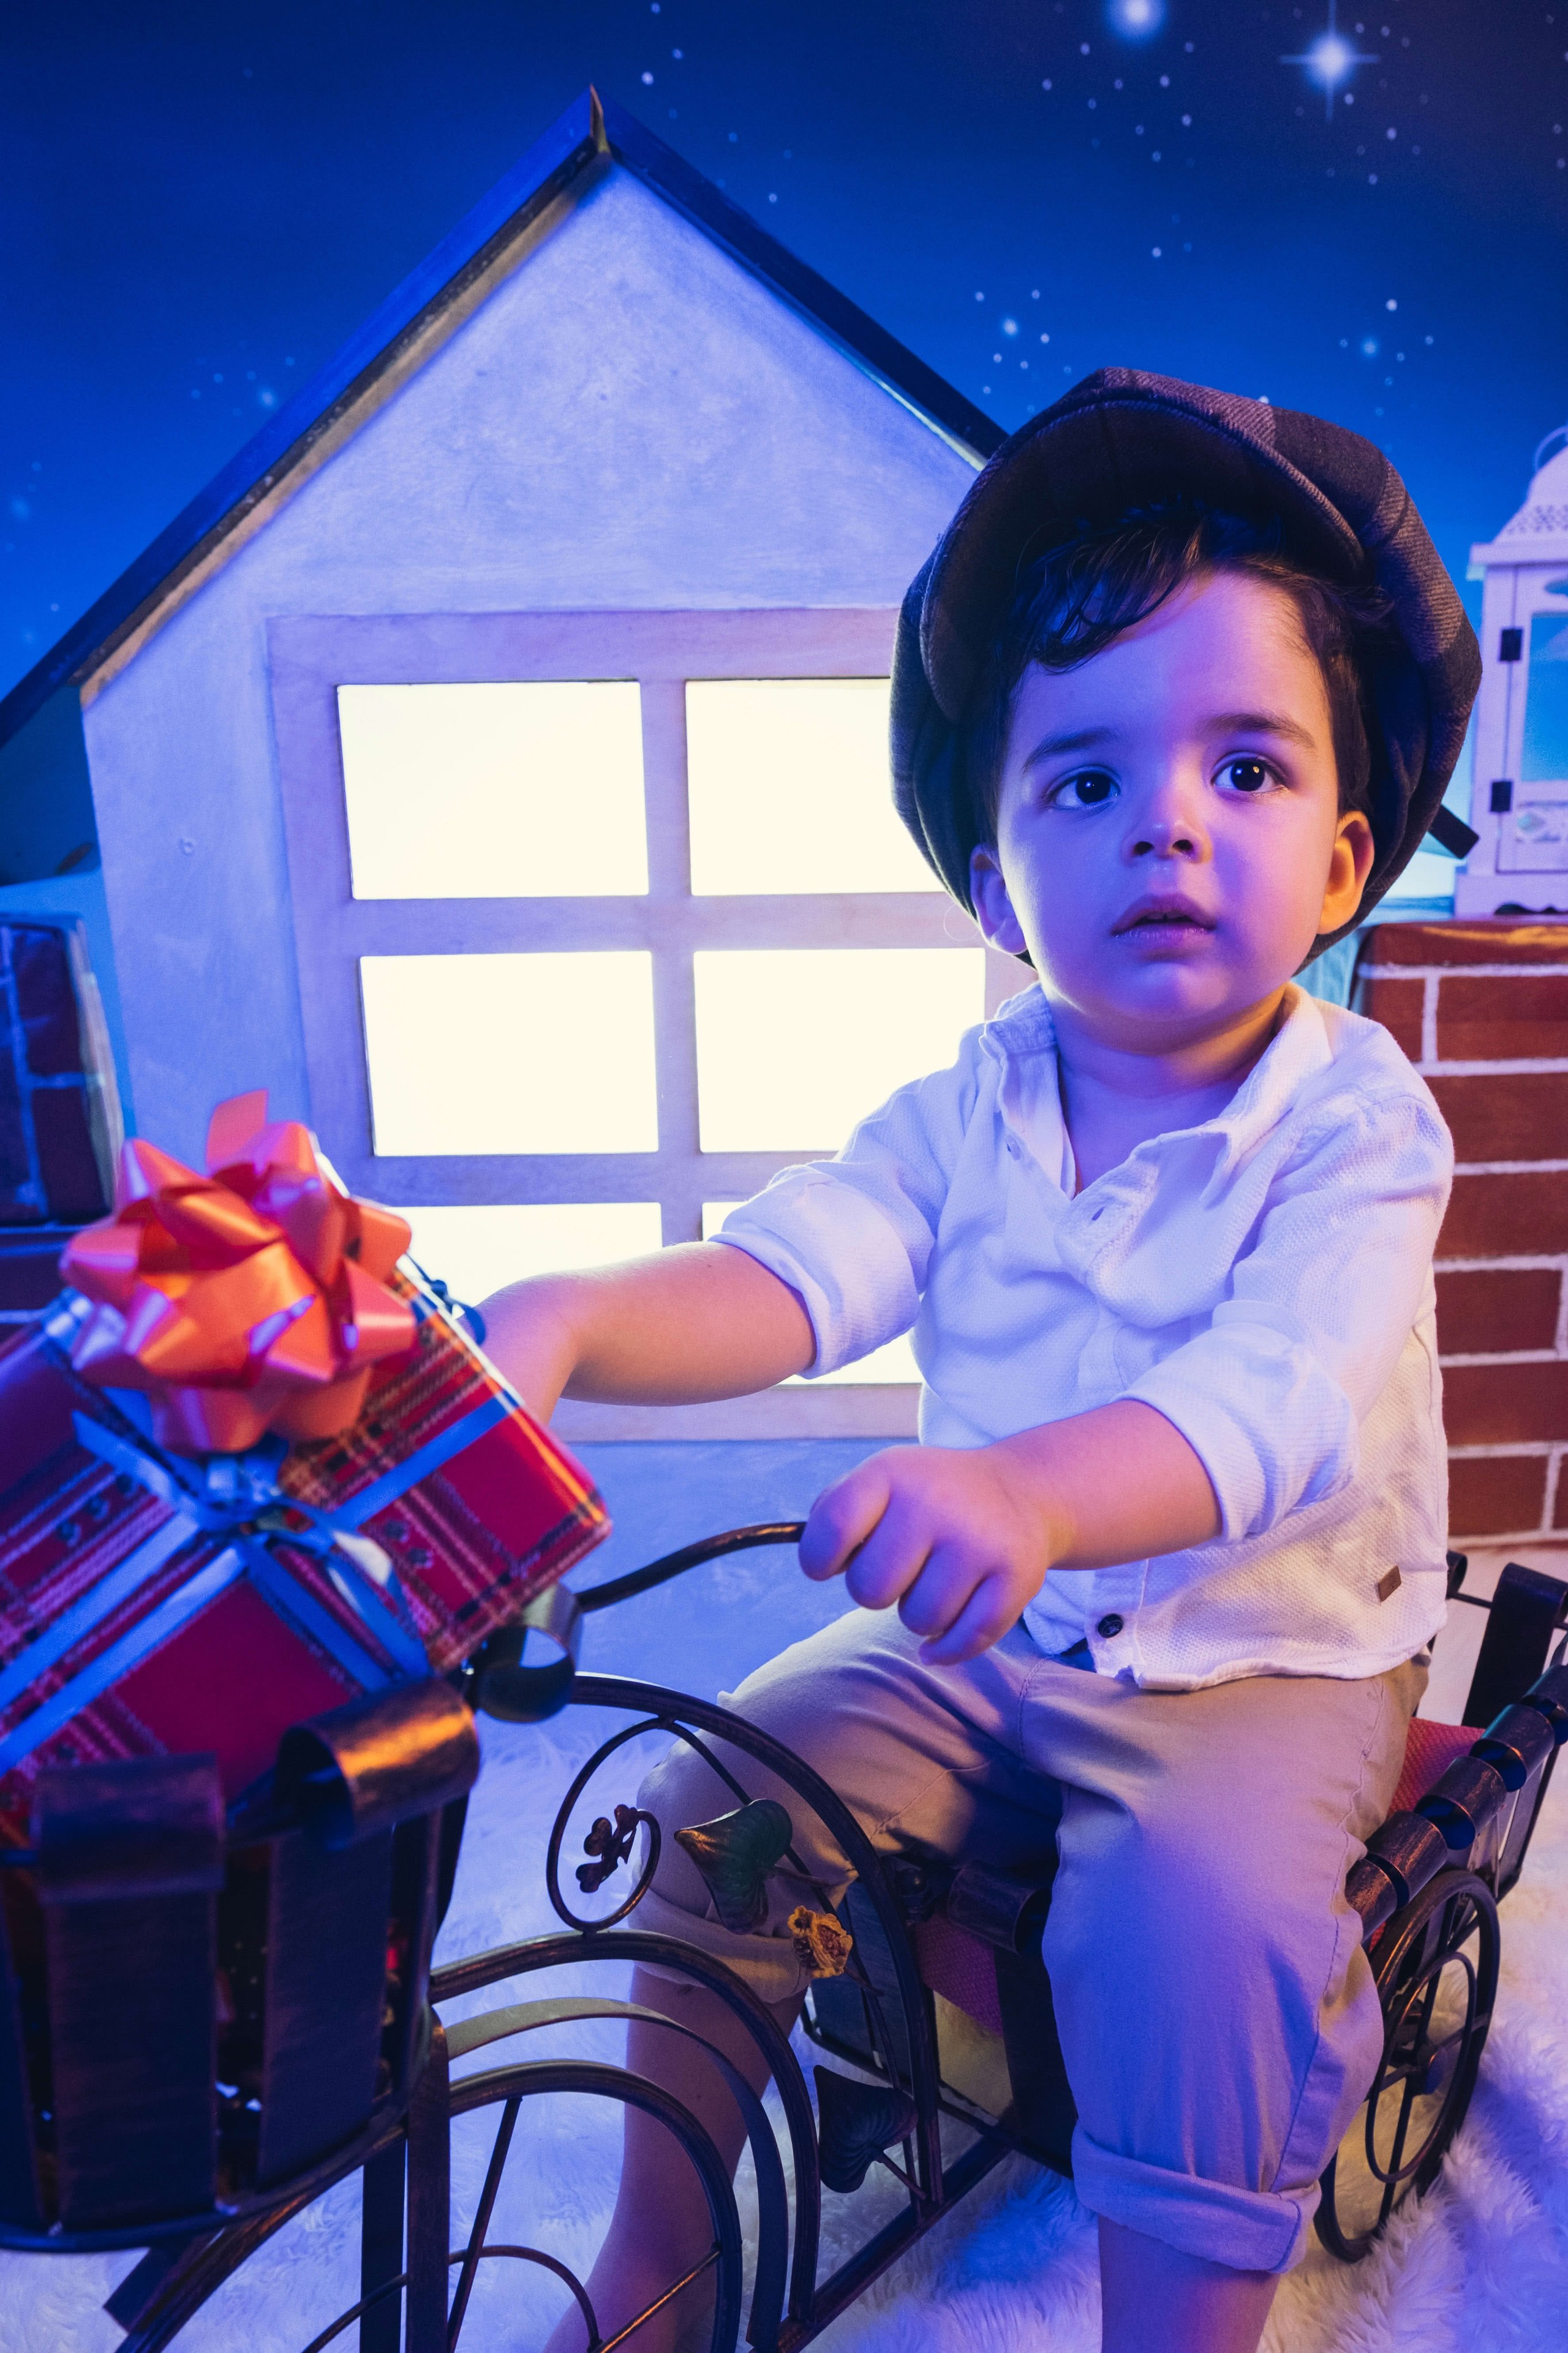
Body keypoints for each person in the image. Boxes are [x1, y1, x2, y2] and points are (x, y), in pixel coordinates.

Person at [482, 369, 1482, 2353]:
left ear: (1346, 860)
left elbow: (1276, 1401)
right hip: (989, 1638)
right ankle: (652, 2263)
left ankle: (1176, 2323)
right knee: (718, 1799)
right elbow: (792, 1272)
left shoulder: (1360, 1123)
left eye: (1247, 769)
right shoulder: (971, 1105)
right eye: (1084, 784)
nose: (1166, 820)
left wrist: (1025, 1485)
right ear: (992, 881)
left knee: (1209, 1933)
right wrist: (578, 1318)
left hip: (1262, 1656)